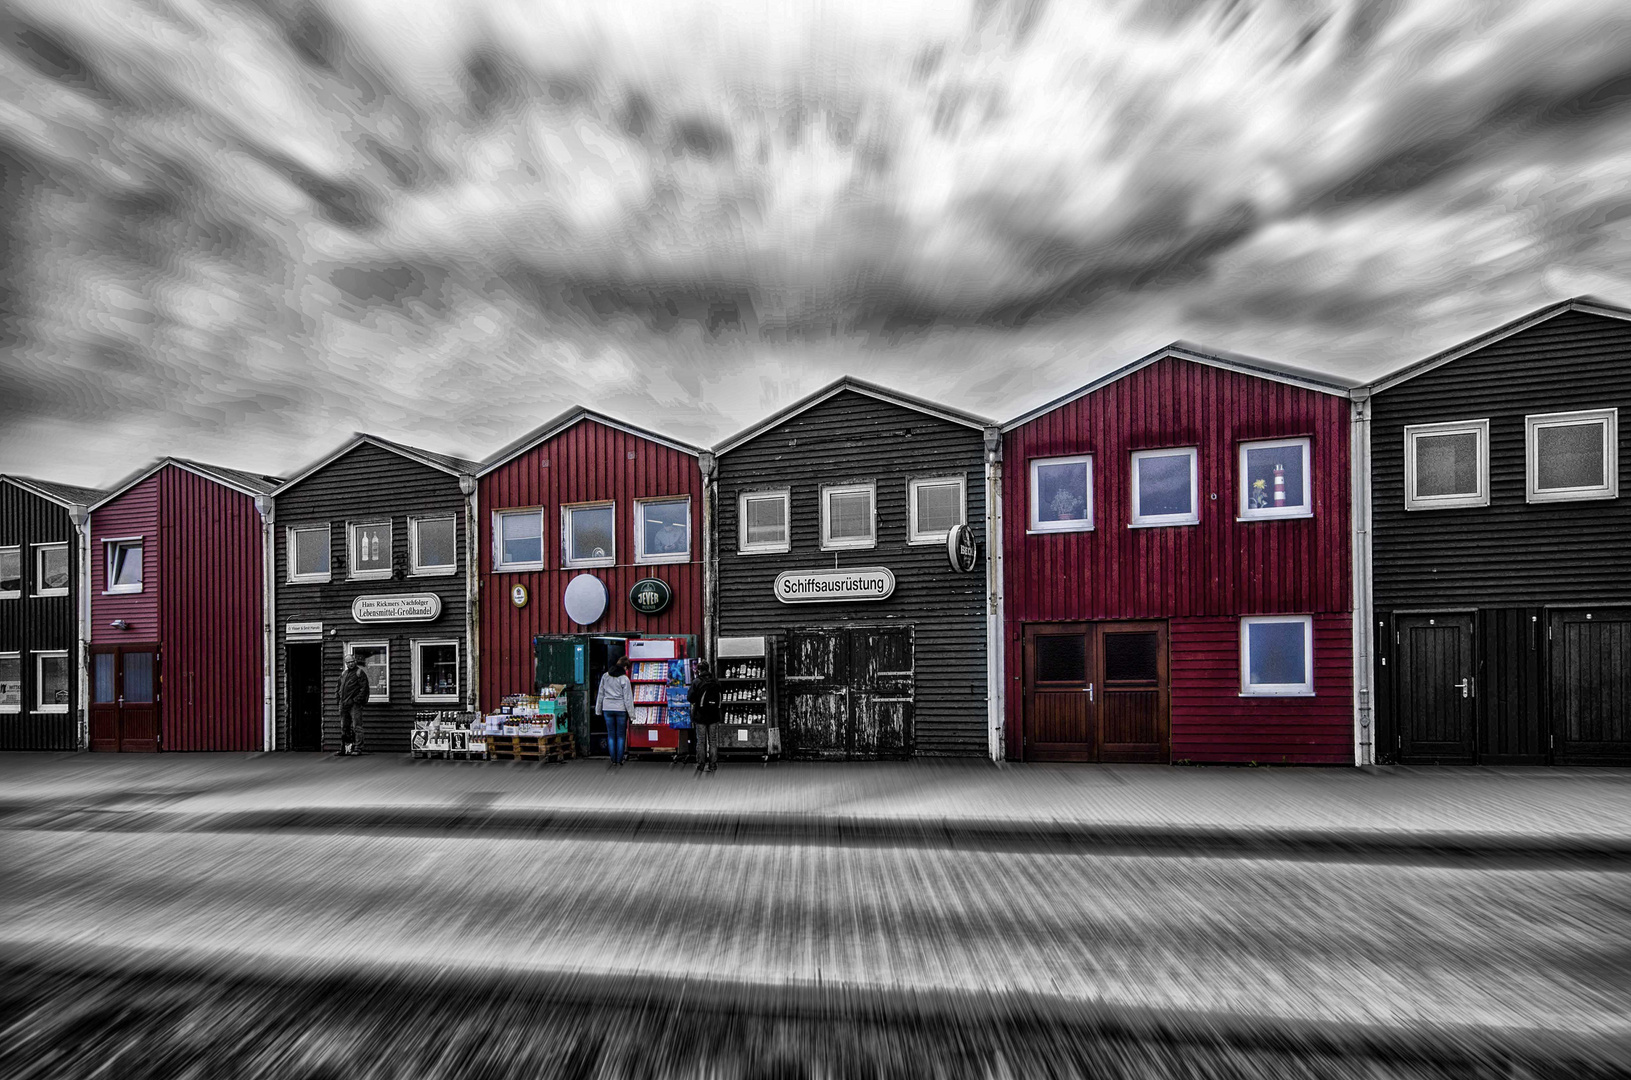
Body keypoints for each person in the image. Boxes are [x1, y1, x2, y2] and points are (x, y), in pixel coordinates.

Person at [595, 656, 634, 768]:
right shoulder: (624, 679)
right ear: (625, 667)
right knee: (621, 735)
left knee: (611, 735)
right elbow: (628, 698)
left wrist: (598, 710)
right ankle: (620, 759)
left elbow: (600, 693)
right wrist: (632, 714)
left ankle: (613, 759)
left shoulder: (605, 676)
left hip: (607, 708)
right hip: (620, 709)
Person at [688, 659, 722, 773]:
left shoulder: (696, 682)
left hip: (700, 716)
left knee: (701, 741)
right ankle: (713, 765)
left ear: (699, 670)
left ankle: (701, 765)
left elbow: (690, 698)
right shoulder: (715, 682)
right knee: (713, 741)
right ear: (708, 669)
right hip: (714, 715)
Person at [337, 653, 371, 756]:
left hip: (354, 705)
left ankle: (358, 748)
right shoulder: (344, 674)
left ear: (355, 661)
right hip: (343, 704)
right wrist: (338, 699)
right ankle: (345, 748)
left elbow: (364, 689)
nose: (351, 664)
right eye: (348, 662)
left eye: (352, 661)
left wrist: (357, 700)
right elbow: (338, 688)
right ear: (346, 663)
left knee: (357, 726)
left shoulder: (360, 673)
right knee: (344, 727)